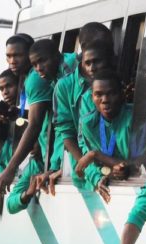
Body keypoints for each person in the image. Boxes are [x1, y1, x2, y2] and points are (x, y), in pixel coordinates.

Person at [0, 39, 78, 193]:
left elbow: (35, 125)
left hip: (64, 156)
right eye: (9, 56)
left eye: (17, 55)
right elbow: (48, 111)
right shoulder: (38, 75)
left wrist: (11, 168)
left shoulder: (34, 79)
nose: (12, 61)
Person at [51, 39, 115, 194]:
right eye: (88, 63)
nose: (92, 68)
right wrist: (91, 172)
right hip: (86, 176)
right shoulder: (70, 89)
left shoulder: (116, 89)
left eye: (97, 62)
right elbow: (70, 136)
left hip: (115, 172)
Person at [76, 70, 133, 200]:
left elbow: (131, 167)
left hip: (136, 187)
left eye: (111, 93)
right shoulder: (88, 124)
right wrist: (99, 178)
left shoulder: (134, 119)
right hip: (112, 190)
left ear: (122, 94)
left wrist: (95, 154)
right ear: (91, 98)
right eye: (98, 95)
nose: (105, 100)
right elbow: (89, 165)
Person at [6, 142, 44, 214]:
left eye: (34, 139)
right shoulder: (34, 165)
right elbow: (10, 205)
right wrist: (27, 194)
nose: (29, 147)